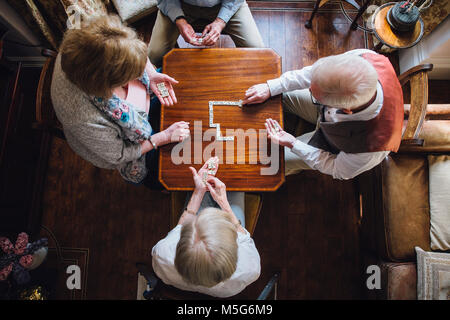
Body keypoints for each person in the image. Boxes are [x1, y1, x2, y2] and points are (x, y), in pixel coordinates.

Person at [51, 15, 189, 188]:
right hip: (132, 150)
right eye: (131, 74)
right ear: (107, 83)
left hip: (146, 106)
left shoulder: (87, 33)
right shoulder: (83, 118)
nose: (140, 75)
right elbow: (120, 154)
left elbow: (129, 48)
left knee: (186, 90)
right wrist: (163, 137)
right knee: (169, 174)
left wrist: (152, 74)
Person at [243, 49, 404, 180]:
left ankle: (287, 167)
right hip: (327, 113)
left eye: (314, 93)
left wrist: (293, 143)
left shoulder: (370, 149)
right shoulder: (364, 57)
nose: (309, 89)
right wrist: (271, 87)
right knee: (279, 95)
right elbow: (313, 74)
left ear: (345, 110)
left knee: (270, 162)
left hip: (333, 145)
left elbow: (337, 169)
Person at [152, 157, 260, 297]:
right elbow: (244, 238)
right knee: (236, 179)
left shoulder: (162, 255)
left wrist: (198, 192)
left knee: (208, 185)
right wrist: (224, 204)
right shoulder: (249, 268)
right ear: (234, 252)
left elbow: (180, 227)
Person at [149, 0, 264, 67]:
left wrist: (220, 21)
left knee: (256, 50)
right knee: (154, 55)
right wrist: (179, 20)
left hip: (226, 4)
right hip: (180, 4)